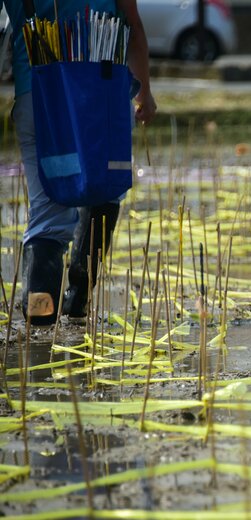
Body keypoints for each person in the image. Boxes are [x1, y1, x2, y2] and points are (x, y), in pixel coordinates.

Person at [3, 0, 157, 325]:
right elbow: (134, 27)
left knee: (47, 216)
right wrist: (144, 91)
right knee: (105, 189)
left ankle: (39, 330)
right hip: (103, 95)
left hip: (38, 96)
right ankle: (77, 305)